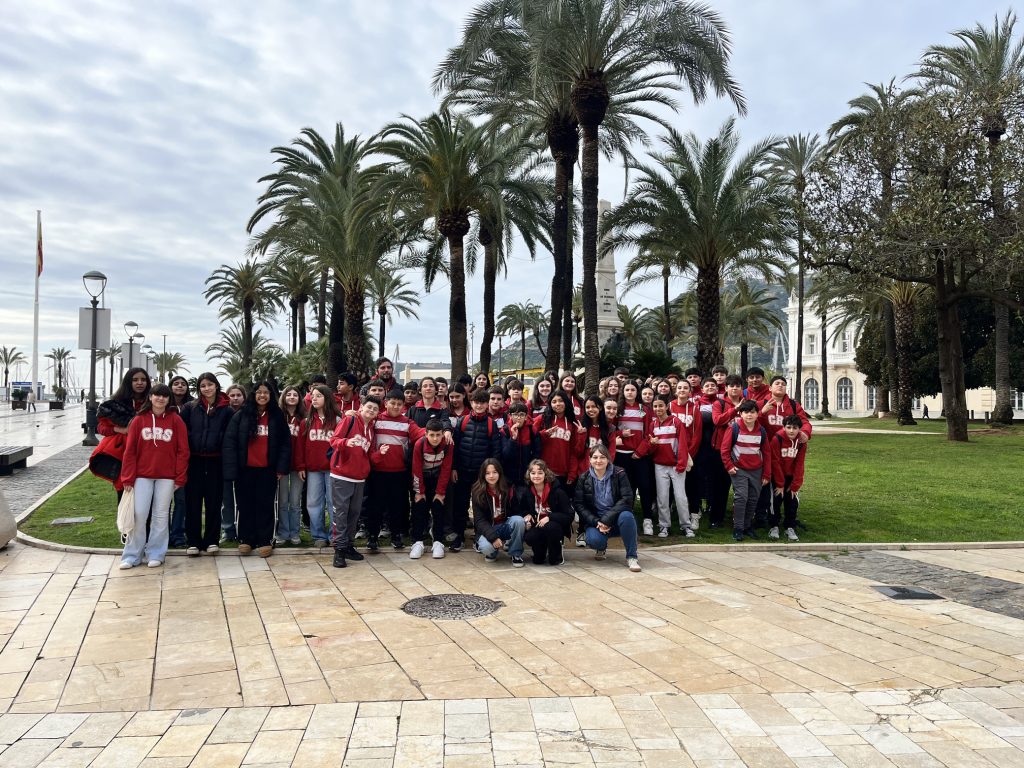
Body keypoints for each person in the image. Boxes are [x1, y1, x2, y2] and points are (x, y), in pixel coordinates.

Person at [119, 383, 190, 569]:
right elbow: (130, 451)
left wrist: (180, 476)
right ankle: (132, 555)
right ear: (150, 397)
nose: (160, 399)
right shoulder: (139, 420)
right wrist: (127, 477)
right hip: (142, 475)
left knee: (160, 515)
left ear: (169, 399)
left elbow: (183, 451)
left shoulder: (176, 420)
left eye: (165, 396)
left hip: (167, 477)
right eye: (157, 395)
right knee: (139, 514)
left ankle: (156, 552)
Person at [223, 382, 291, 558]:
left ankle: (265, 539)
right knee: (245, 505)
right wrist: (232, 470)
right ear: (253, 395)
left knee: (265, 505)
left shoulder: (277, 416)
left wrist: (281, 468)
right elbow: (230, 443)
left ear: (271, 395)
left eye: (266, 392)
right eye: (259, 392)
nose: (262, 395)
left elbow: (285, 444)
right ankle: (246, 539)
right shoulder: (241, 416)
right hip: (244, 470)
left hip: (268, 470)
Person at [179, 372, 233, 556]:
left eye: (210, 384)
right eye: (203, 385)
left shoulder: (227, 410)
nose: (207, 388)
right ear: (199, 389)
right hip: (194, 461)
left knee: (213, 502)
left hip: (216, 461)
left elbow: (229, 437)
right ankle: (193, 541)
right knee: (192, 502)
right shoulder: (189, 408)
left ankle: (211, 541)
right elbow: (181, 432)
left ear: (216, 386)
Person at [366, 391, 423, 552]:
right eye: (393, 403)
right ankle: (372, 537)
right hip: (377, 471)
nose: (396, 406)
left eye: (399, 404)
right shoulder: (376, 419)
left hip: (399, 472)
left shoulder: (407, 423)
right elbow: (361, 419)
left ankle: (396, 535)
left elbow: (421, 434)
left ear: (403, 406)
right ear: (386, 403)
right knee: (375, 506)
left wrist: (444, 431)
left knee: (397, 506)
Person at [328, 396, 380, 568]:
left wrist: (381, 454)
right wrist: (346, 442)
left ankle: (348, 545)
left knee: (354, 514)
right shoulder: (349, 419)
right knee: (341, 513)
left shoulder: (371, 428)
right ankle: (339, 550)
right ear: (361, 407)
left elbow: (369, 454)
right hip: (342, 475)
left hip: (359, 477)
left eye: (375, 409)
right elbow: (333, 440)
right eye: (369, 407)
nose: (371, 411)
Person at [574, 445, 641, 572]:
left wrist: (606, 520)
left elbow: (627, 498)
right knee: (593, 540)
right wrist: (597, 522)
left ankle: (632, 557)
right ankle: (601, 547)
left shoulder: (619, 473)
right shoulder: (583, 478)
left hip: (616, 518)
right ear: (590, 459)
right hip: (596, 521)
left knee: (627, 517)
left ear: (608, 459)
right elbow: (579, 505)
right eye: (595, 457)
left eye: (602, 457)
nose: (598, 461)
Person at [451, 388, 501, 552]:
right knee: (460, 505)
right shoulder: (463, 421)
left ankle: (479, 537)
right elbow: (455, 447)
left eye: (482, 403)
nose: (479, 405)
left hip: (481, 475)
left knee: (482, 507)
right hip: (463, 471)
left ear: (487, 405)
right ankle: (459, 536)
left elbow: (495, 451)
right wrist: (454, 468)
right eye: (476, 402)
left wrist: (491, 474)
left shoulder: (491, 424)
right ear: (471, 403)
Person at [95, 368, 152, 503]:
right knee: (125, 496)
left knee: (148, 499)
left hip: (148, 455)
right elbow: (101, 428)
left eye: (143, 380)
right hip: (124, 456)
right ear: (128, 382)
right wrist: (119, 429)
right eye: (135, 380)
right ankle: (126, 524)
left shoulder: (153, 402)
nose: (140, 383)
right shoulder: (115, 404)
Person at [720, 399, 771, 542]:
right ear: (741, 414)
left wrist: (767, 473)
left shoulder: (761, 430)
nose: (749, 415)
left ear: (757, 414)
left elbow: (767, 453)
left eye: (753, 412)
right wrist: (729, 466)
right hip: (739, 469)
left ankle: (748, 527)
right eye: (746, 412)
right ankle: (738, 528)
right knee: (741, 497)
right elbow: (724, 450)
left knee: (753, 499)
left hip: (756, 470)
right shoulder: (734, 428)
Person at [297, 384, 341, 548]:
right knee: (314, 503)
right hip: (313, 469)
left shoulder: (338, 420)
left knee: (333, 503)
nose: (314, 399)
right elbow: (300, 446)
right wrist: (301, 466)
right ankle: (319, 536)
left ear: (327, 398)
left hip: (333, 469)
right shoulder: (306, 422)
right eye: (312, 396)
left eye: (318, 396)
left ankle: (334, 535)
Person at [648, 395, 695, 538]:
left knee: (680, 497)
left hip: (676, 465)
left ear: (667, 406)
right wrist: (652, 444)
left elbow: (682, 444)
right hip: (660, 465)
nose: (658, 409)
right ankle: (664, 526)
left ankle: (686, 525)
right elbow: (651, 449)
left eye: (660, 406)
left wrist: (681, 463)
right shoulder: (653, 424)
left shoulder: (676, 422)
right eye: (655, 406)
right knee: (662, 497)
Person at [614, 380, 655, 535]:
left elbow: (649, 434)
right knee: (625, 490)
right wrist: (620, 434)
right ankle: (626, 520)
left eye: (632, 390)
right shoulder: (618, 409)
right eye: (627, 390)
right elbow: (610, 432)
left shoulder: (643, 410)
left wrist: (640, 451)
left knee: (645, 487)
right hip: (620, 456)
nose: (630, 392)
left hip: (639, 456)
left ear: (637, 392)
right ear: (622, 392)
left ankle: (647, 520)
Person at [409, 418, 454, 559]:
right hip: (422, 479)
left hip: (438, 478)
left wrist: (440, 492)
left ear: (442, 434)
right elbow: (416, 469)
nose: (435, 438)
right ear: (426, 434)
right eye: (432, 435)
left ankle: (438, 541)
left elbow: (446, 469)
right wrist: (419, 492)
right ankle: (417, 542)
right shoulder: (419, 444)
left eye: (438, 435)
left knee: (438, 508)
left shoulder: (448, 445)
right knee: (419, 508)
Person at [471, 459, 525, 567]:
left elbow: (516, 511)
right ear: (483, 475)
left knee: (519, 520)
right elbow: (479, 520)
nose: (491, 476)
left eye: (494, 472)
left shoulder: (508, 487)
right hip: (488, 528)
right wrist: (493, 537)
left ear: (499, 473)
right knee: (487, 549)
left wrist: (525, 519)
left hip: (505, 525)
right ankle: (492, 552)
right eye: (487, 473)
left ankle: (515, 553)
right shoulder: (477, 491)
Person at [520, 459, 573, 566]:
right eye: (533, 473)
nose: (536, 476)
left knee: (554, 561)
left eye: (540, 473)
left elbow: (569, 515)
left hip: (554, 526)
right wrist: (527, 515)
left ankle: (557, 551)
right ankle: (541, 549)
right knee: (537, 558)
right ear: (529, 475)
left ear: (546, 474)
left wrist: (550, 517)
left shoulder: (558, 491)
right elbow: (521, 509)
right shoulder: (527, 492)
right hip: (538, 525)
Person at [534, 390, 585, 490]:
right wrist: (543, 434)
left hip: (563, 473)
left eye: (561, 401)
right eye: (554, 401)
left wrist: (572, 473)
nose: (557, 404)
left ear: (566, 402)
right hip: (543, 471)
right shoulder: (542, 419)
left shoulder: (573, 423)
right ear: (550, 404)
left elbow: (575, 452)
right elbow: (531, 438)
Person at [275, 386, 306, 546]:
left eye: (296, 394)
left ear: (299, 399)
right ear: (283, 397)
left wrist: (302, 465)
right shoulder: (277, 416)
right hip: (282, 465)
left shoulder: (304, 418)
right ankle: (282, 533)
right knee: (282, 501)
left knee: (295, 501)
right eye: (289, 394)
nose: (292, 397)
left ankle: (294, 532)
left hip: (298, 465)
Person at [769, 414, 807, 542]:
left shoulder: (801, 443)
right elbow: (775, 461)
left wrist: (796, 484)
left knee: (792, 501)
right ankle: (774, 526)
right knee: (775, 501)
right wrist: (780, 484)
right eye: (788, 427)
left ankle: (790, 526)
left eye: (795, 428)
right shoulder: (777, 439)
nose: (791, 430)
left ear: (799, 429)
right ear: (784, 427)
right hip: (777, 476)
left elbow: (799, 463)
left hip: (791, 476)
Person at [220, 383, 247, 542]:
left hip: (245, 462)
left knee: (244, 497)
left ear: (244, 397)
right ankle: (228, 529)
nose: (235, 399)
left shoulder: (249, 414)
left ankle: (242, 527)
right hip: (225, 462)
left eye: (238, 395)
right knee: (227, 498)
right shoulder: (223, 414)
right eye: (232, 395)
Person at [500, 402, 540, 490]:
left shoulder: (532, 430)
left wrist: (531, 470)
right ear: (510, 416)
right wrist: (513, 439)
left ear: (526, 416)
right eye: (515, 415)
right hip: (509, 475)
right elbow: (505, 455)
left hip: (526, 473)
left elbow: (537, 453)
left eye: (522, 415)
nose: (518, 418)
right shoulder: (505, 430)